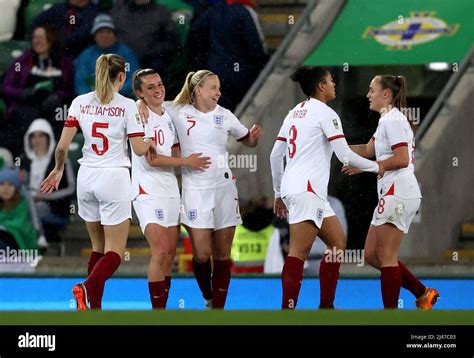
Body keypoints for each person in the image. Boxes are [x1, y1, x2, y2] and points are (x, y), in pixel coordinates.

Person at [139, 69, 262, 308]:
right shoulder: (178, 111)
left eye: (219, 88)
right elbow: (151, 101)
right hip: (195, 190)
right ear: (198, 90)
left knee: (223, 255)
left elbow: (247, 139)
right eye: (213, 88)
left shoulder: (225, 115)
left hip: (224, 188)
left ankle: (217, 308)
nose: (218, 92)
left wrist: (254, 138)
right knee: (202, 254)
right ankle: (208, 295)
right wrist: (139, 103)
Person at [40, 54, 154, 310]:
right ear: (122, 77)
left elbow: (61, 148)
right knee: (115, 251)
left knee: (97, 247)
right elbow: (137, 149)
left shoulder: (80, 102)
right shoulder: (127, 106)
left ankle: (94, 308)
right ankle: (86, 288)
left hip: (86, 176)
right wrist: (150, 141)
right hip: (113, 176)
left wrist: (59, 169)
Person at [270, 66, 384, 309]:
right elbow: (344, 155)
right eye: (331, 81)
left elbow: (274, 155)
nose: (335, 85)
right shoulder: (326, 113)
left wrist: (279, 192)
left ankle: (326, 306)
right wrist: (377, 167)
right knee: (298, 252)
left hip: (302, 190)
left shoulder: (294, 112)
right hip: (307, 190)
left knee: (337, 242)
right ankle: (287, 310)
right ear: (321, 86)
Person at [342, 75, 439, 309]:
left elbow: (403, 159)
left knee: (386, 256)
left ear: (386, 94)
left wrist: (376, 166)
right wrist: (334, 145)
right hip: (391, 192)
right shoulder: (386, 120)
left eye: (371, 90)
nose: (367, 95)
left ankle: (390, 314)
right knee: (370, 255)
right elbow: (366, 149)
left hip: (399, 191)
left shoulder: (392, 121)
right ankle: (422, 293)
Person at [131, 68, 210, 309]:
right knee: (161, 249)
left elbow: (173, 150)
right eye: (150, 87)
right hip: (146, 190)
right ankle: (157, 312)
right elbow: (152, 160)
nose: (158, 90)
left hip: (170, 191)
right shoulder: (138, 116)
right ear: (140, 93)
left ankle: (163, 310)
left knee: (169, 255)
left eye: (160, 84)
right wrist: (188, 162)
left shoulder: (169, 114)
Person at [2, 24, 75, 149]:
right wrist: (24, 93)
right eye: (35, 38)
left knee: (61, 115)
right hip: (26, 106)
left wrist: (58, 96)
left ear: (51, 39)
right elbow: (5, 88)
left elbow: (71, 90)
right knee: (29, 117)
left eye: (41, 37)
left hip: (54, 107)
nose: (37, 41)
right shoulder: (23, 61)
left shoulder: (65, 62)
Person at [21, 118, 75, 246]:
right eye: (33, 136)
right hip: (28, 200)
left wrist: (47, 196)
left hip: (53, 207)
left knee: (37, 207)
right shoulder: (24, 161)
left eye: (41, 136)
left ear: (48, 138)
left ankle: (37, 236)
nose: (37, 140)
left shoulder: (61, 161)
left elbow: (71, 188)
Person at [75, 14, 140, 97]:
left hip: (122, 99)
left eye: (109, 32)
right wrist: (94, 97)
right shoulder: (86, 55)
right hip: (93, 102)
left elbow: (133, 79)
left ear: (115, 35)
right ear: (94, 36)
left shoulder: (126, 53)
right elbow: (80, 82)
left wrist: (113, 93)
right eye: (101, 32)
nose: (105, 35)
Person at [0, 168, 38, 251]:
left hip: (18, 242)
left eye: (10, 185)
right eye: (2, 184)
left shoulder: (22, 204)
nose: (5, 189)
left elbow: (20, 225)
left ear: (16, 188)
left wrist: (3, 226)